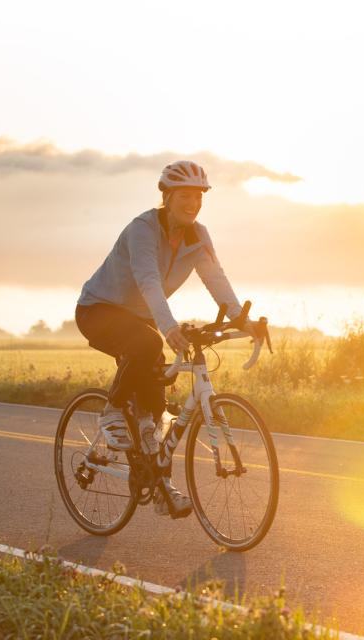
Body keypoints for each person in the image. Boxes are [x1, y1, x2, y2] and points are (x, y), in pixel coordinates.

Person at [75, 160, 256, 517]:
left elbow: (215, 278)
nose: (193, 203)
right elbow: (148, 280)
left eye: (199, 196)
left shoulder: (198, 235)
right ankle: (111, 412)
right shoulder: (143, 228)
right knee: (148, 344)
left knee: (154, 418)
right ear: (168, 197)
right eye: (185, 196)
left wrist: (242, 319)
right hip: (98, 310)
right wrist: (169, 326)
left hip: (140, 321)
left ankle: (161, 486)